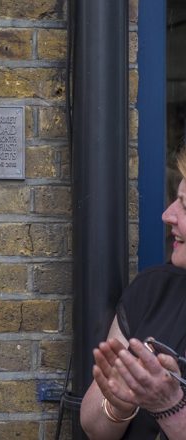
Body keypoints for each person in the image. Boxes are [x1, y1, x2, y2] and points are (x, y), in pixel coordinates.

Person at [80, 150, 186, 439]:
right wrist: (119, 404)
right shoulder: (151, 290)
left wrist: (170, 406)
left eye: (185, 206)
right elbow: (92, 426)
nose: (167, 215)